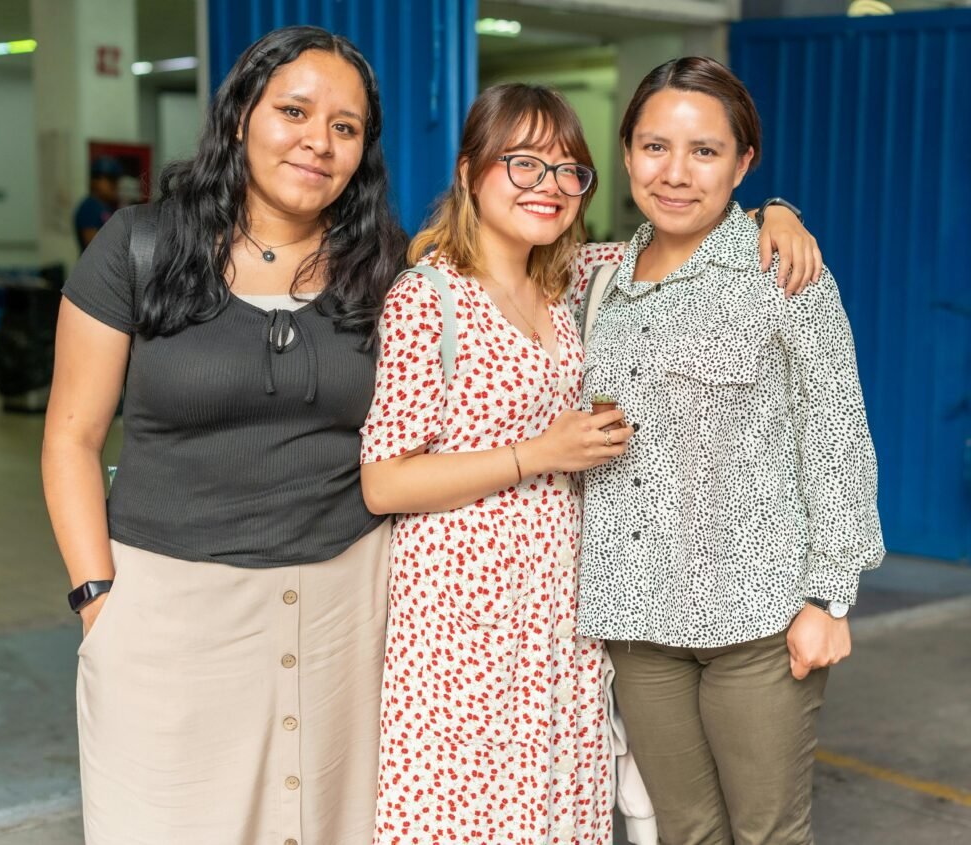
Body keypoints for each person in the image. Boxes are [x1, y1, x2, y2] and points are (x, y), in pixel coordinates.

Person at [359, 82, 818, 845]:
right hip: (462, 614)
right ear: (471, 171)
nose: (550, 187)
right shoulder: (427, 298)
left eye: (569, 171)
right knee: (469, 813)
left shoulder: (571, 280)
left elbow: (687, 236)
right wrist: (538, 453)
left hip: (562, 611)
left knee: (554, 810)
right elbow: (383, 481)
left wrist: (776, 210)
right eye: (524, 164)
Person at [42, 26, 407, 845]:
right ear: (241, 113)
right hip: (168, 610)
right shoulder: (139, 246)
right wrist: (98, 600)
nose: (318, 141)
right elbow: (70, 437)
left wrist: (766, 215)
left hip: (345, 606)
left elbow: (543, 265)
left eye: (345, 128)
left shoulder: (384, 266)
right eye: (294, 111)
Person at [574, 57, 885, 845]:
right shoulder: (598, 277)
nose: (675, 173)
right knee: (684, 829)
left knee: (767, 832)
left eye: (705, 151)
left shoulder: (783, 273)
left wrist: (831, 597)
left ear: (743, 162)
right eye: (654, 147)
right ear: (626, 151)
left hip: (759, 619)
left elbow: (837, 432)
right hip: (639, 620)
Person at [73, 156, 123, 251]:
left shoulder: (107, 207)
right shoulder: (90, 207)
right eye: (111, 180)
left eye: (116, 180)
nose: (115, 185)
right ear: (95, 181)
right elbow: (93, 247)